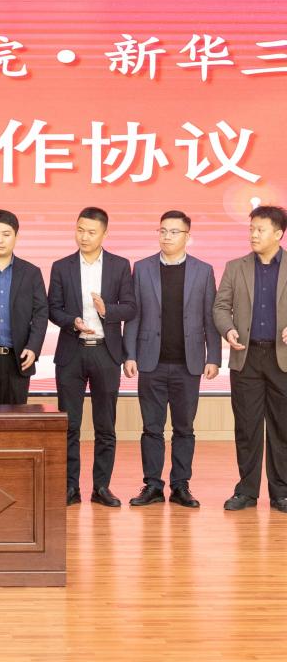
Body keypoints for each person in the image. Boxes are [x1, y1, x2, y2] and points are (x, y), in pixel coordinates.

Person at [123, 211, 220, 508]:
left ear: (188, 237)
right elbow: (134, 316)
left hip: (188, 363)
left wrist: (214, 357)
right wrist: (130, 354)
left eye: (174, 232)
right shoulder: (142, 268)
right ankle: (152, 485)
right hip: (150, 361)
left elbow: (210, 317)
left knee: (184, 428)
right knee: (151, 427)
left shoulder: (204, 271)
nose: (167, 236)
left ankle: (180, 486)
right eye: (163, 231)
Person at [48, 207, 136, 508]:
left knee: (105, 425)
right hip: (71, 352)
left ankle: (101, 487)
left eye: (91, 232)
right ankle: (70, 487)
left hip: (105, 352)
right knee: (69, 425)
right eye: (80, 230)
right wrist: (72, 322)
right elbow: (53, 308)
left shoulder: (119, 266)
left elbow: (131, 308)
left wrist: (106, 310)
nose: (84, 237)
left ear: (104, 234)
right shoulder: (61, 266)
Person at [213, 205, 287, 514]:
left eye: (260, 229)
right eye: (251, 229)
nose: (253, 234)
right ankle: (246, 491)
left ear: (278, 234)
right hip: (246, 356)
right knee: (247, 427)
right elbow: (220, 306)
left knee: (283, 427)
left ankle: (282, 492)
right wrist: (228, 329)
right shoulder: (235, 267)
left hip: (282, 359)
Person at [0, 209, 48, 405]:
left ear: (16, 236)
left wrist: (33, 347)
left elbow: (41, 313)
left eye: (6, 234)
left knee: (15, 416)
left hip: (18, 357)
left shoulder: (31, 273)